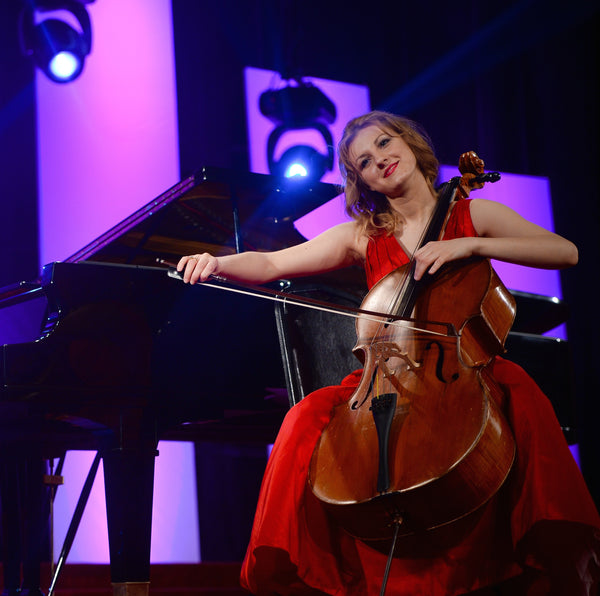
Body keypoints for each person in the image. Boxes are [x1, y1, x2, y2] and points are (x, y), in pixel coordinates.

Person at [177, 111, 600, 595]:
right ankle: (313, 562)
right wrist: (217, 262)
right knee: (304, 417)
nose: (379, 159)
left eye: (384, 143)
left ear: (411, 142)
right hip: (391, 377)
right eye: (364, 161)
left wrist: (468, 247)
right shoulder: (366, 235)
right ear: (361, 180)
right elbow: (273, 262)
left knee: (522, 393)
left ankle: (546, 546)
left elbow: (566, 252)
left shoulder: (471, 213)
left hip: (466, 366)